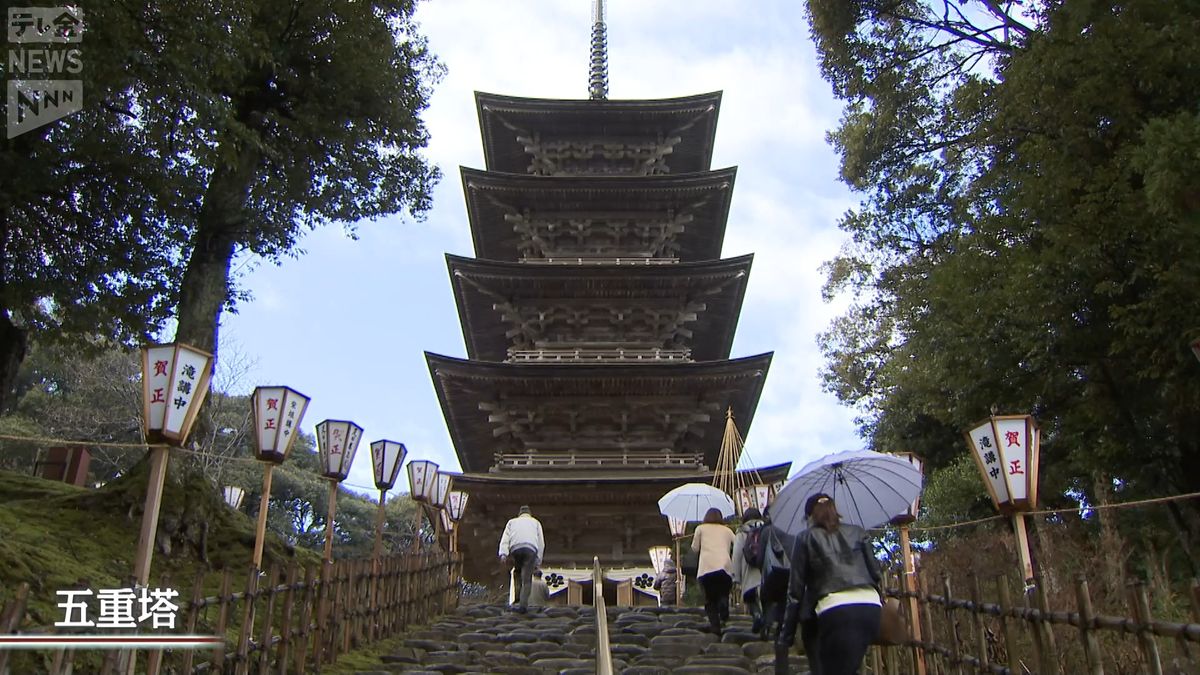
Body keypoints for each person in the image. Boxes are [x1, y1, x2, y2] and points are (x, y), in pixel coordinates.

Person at [781, 493, 882, 675]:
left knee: (830, 667)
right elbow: (876, 572)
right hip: (870, 606)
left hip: (835, 610)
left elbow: (795, 591)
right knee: (847, 666)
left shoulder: (805, 538)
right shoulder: (858, 531)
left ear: (810, 516)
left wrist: (786, 635)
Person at [691, 507, 735, 635]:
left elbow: (694, 548)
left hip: (707, 568)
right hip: (724, 566)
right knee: (723, 593)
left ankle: (715, 626)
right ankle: (724, 606)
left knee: (710, 600)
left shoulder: (700, 528)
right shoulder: (727, 530)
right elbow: (737, 543)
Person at [497, 505, 544, 613]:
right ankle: (523, 605)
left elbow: (505, 537)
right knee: (527, 578)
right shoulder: (535, 522)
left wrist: (503, 553)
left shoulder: (512, 522)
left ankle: (517, 600)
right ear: (530, 513)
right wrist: (538, 559)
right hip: (530, 549)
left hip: (516, 548)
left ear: (519, 514)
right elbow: (541, 542)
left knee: (517, 573)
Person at [731, 507, 767, 635]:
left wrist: (735, 577)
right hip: (766, 571)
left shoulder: (742, 532)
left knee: (752, 601)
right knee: (766, 603)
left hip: (749, 573)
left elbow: (737, 555)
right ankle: (766, 628)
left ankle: (757, 616)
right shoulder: (767, 528)